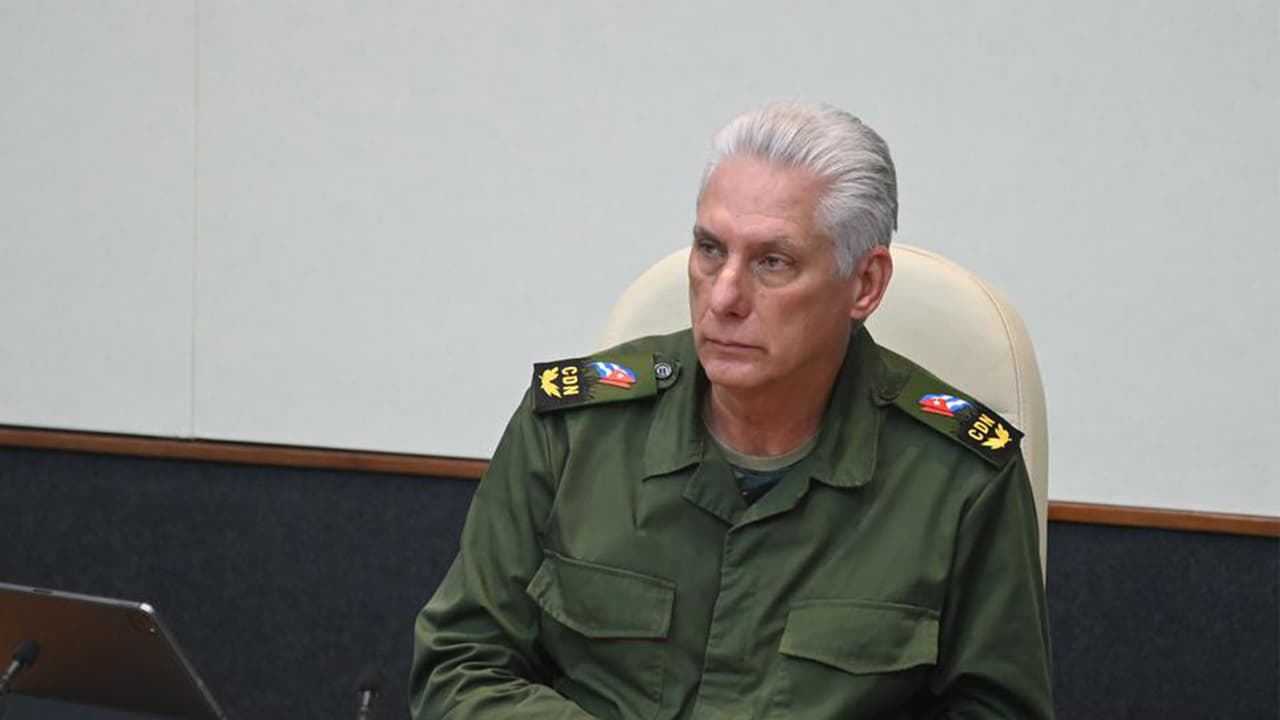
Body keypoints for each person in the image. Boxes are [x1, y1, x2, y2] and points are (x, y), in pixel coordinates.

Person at [410, 101, 1053, 719]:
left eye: (772, 262)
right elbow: (459, 667)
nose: (723, 298)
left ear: (865, 284)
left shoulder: (960, 479)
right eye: (711, 250)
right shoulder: (574, 430)